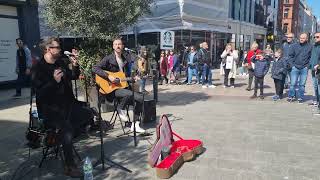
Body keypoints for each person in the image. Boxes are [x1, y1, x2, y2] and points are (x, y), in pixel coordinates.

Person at [31, 37, 94, 177]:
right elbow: (40, 94)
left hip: (68, 105)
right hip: (50, 110)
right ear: (48, 49)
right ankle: (69, 166)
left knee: (89, 113)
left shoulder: (60, 62)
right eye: (57, 48)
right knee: (67, 130)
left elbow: (73, 76)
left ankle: (57, 138)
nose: (59, 50)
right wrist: (54, 81)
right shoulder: (38, 68)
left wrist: (75, 65)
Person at [92, 38, 145, 133]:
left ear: (122, 46)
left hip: (123, 87)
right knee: (129, 94)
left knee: (140, 98)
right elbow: (95, 68)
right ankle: (120, 108)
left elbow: (126, 75)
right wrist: (109, 77)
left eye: (119, 44)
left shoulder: (125, 58)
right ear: (113, 46)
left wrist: (135, 77)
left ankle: (135, 124)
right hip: (112, 90)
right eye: (115, 44)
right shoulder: (108, 58)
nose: (118, 46)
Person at [287, 33, 312, 103]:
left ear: (306, 39)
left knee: (302, 84)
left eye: (303, 38)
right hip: (295, 67)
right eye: (300, 38)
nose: (301, 39)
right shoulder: (294, 46)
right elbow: (290, 56)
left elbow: (311, 57)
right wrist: (292, 65)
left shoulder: (310, 46)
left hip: (304, 68)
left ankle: (301, 97)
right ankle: (291, 96)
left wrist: (308, 66)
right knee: (292, 83)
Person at [309, 32, 320, 107]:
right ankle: (317, 100)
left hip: (318, 69)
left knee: (319, 86)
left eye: (317, 37)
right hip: (313, 69)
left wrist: (318, 65)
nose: (316, 38)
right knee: (315, 85)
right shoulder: (314, 46)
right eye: (315, 37)